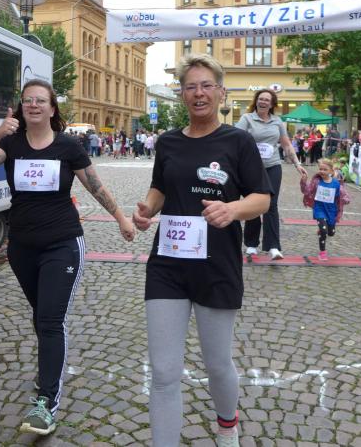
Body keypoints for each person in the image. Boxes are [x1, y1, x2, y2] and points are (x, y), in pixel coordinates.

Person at [0, 79, 135, 437]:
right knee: (40, 314)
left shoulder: (67, 146)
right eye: (27, 100)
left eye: (40, 100)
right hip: (22, 247)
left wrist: (121, 217)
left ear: (52, 108)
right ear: (21, 107)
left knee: (49, 319)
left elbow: (95, 185)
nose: (33, 105)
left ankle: (46, 401)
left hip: (63, 243)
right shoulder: (11, 144)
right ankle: (49, 369)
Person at [132, 54, 270, 447]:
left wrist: (232, 209)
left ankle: (227, 425)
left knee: (217, 364)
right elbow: (160, 187)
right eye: (190, 86)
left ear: (220, 92)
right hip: (168, 263)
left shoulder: (238, 141)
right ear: (181, 94)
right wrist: (147, 209)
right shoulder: (168, 142)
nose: (199, 93)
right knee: (163, 372)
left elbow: (261, 198)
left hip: (216, 264)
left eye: (206, 85)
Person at [235, 88, 306, 260]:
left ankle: (273, 246)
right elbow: (235, 140)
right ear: (256, 101)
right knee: (253, 204)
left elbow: (286, 145)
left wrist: (297, 164)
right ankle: (251, 244)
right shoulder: (247, 118)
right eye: (261, 98)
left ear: (272, 104)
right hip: (251, 168)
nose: (263, 102)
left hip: (273, 166)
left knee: (271, 205)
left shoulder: (277, 121)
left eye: (267, 100)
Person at [299, 158, 350, 261]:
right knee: (323, 231)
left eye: (325, 169)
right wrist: (303, 181)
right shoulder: (316, 182)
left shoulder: (336, 183)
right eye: (320, 169)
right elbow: (306, 191)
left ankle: (323, 229)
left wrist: (345, 199)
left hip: (331, 211)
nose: (322, 171)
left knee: (331, 232)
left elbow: (342, 195)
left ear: (331, 170)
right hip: (319, 209)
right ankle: (322, 252)